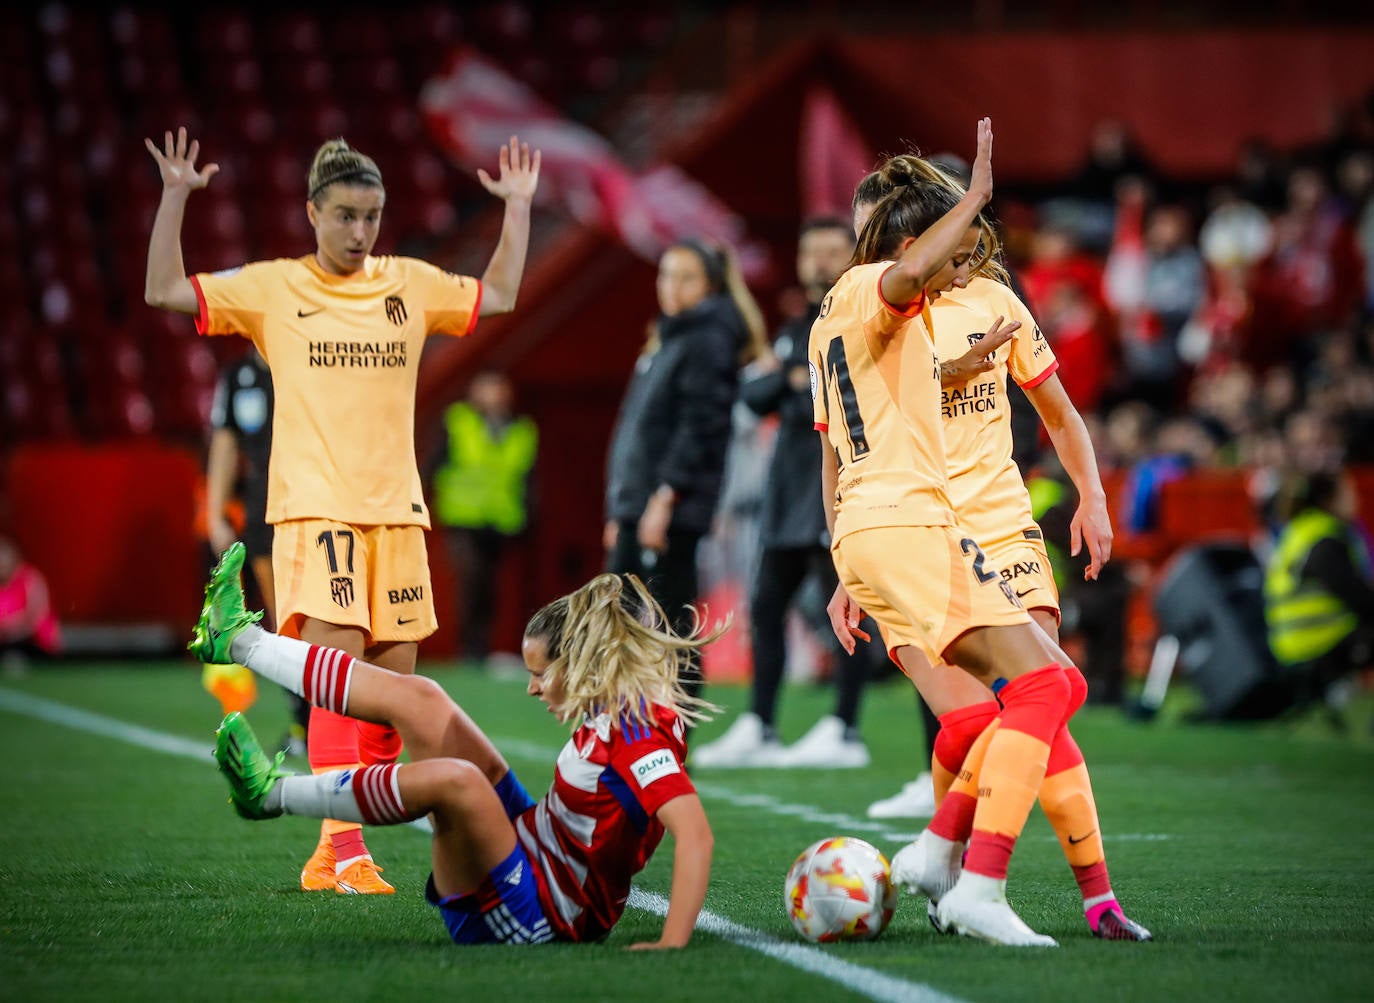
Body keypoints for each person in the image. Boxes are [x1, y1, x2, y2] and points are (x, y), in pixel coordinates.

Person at [144, 127, 540, 894]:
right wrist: (175, 195)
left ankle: (348, 845)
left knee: (392, 703)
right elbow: (165, 289)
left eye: (372, 216)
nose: (361, 233)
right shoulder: (273, 289)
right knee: (337, 677)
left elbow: (501, 294)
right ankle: (338, 848)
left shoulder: (410, 284)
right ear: (312, 213)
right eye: (346, 216)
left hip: (398, 513)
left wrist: (517, 208)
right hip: (314, 509)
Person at [812, 119, 1143, 946]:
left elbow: (1050, 414)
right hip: (914, 523)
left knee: (1018, 707)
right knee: (1034, 696)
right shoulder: (882, 296)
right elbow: (845, 440)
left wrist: (1089, 497)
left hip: (972, 524)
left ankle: (983, 867)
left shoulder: (944, 312)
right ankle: (963, 871)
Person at [197, 543, 718, 948]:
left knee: (458, 782)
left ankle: (268, 795)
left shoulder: (637, 736)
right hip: (531, 851)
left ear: (587, 663)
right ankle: (239, 641)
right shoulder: (625, 705)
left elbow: (695, 836)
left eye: (542, 674)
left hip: (537, 914)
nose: (533, 688)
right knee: (424, 698)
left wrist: (671, 944)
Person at [692, 218, 876, 769]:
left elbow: (839, 399)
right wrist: (794, 378)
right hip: (788, 491)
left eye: (831, 250)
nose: (819, 262)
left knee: (849, 614)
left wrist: (792, 381)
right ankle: (761, 723)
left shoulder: (862, 318)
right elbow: (755, 394)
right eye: (810, 252)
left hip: (839, 489)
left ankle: (844, 727)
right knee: (767, 607)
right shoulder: (799, 326)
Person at [603, 239, 767, 710]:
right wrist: (622, 507)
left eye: (685, 277)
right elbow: (639, 431)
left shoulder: (706, 338)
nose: (671, 287)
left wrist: (664, 498)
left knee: (669, 626)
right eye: (665, 275)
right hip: (642, 503)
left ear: (711, 285)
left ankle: (672, 743)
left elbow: (702, 427)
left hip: (667, 508)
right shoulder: (673, 334)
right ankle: (632, 738)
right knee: (629, 622)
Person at [204, 345, 312, 749]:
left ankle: (337, 719)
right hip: (263, 508)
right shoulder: (238, 376)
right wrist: (215, 513)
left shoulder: (309, 357)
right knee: (285, 622)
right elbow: (225, 442)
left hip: (315, 503)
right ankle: (305, 722)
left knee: (321, 619)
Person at [431, 369, 538, 665]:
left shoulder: (521, 430)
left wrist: (530, 518)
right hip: (462, 517)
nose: (493, 394)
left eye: (499, 387)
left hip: (500, 521)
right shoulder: (457, 421)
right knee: (470, 580)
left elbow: (528, 478)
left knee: (490, 587)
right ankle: (469, 651)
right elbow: (433, 464)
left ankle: (482, 651)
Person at [1264, 469, 1374, 722]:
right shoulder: (1324, 539)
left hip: (1291, 644)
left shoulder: (1300, 530)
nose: (1356, 500)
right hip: (1316, 643)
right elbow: (1361, 599)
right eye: (1348, 493)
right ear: (1329, 500)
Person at [0, 536, 60, 669]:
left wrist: (12, 627)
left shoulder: (30, 578)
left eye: (4, 556)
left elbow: (37, 614)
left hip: (31, 641)